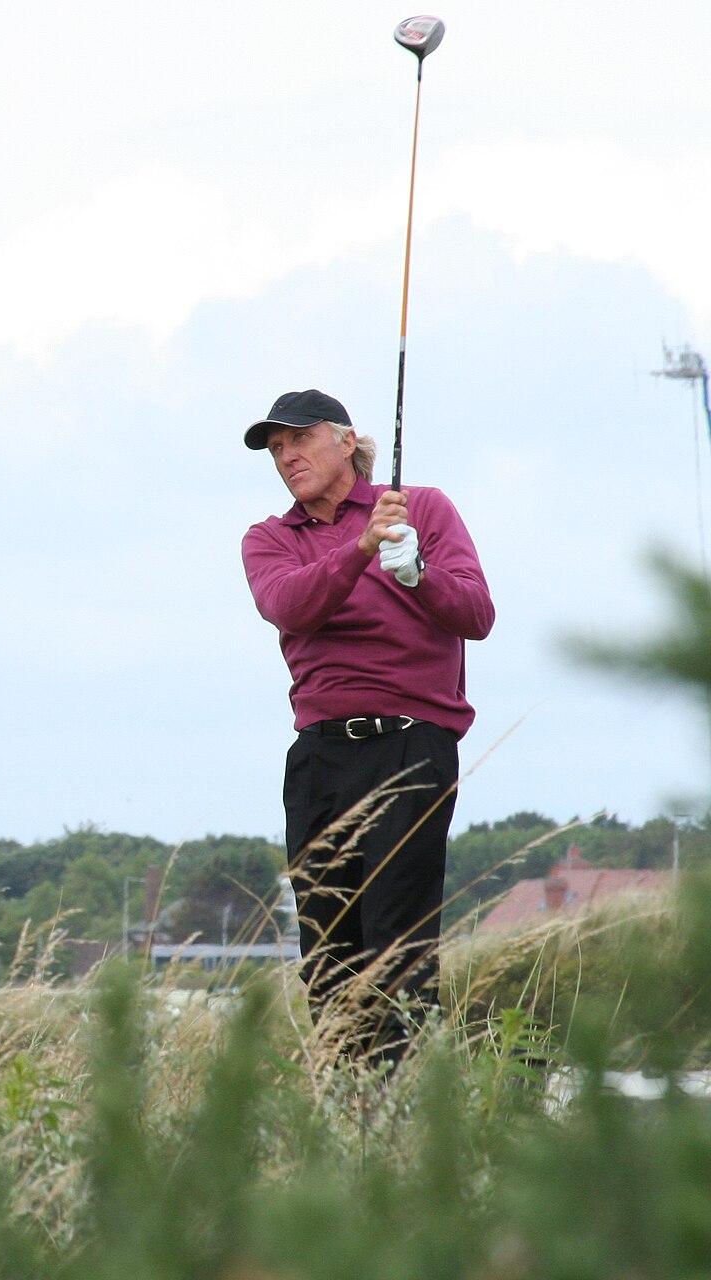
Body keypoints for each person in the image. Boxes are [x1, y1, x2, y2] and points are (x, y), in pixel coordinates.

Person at [242, 389, 495, 1064]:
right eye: (275, 449)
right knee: (328, 949)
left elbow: (476, 614)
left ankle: (404, 1109)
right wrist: (361, 547)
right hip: (321, 756)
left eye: (298, 440)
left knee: (398, 939)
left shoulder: (424, 510)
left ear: (344, 441)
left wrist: (419, 574)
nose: (286, 457)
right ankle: (347, 1107)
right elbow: (291, 606)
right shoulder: (271, 538)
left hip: (412, 745)